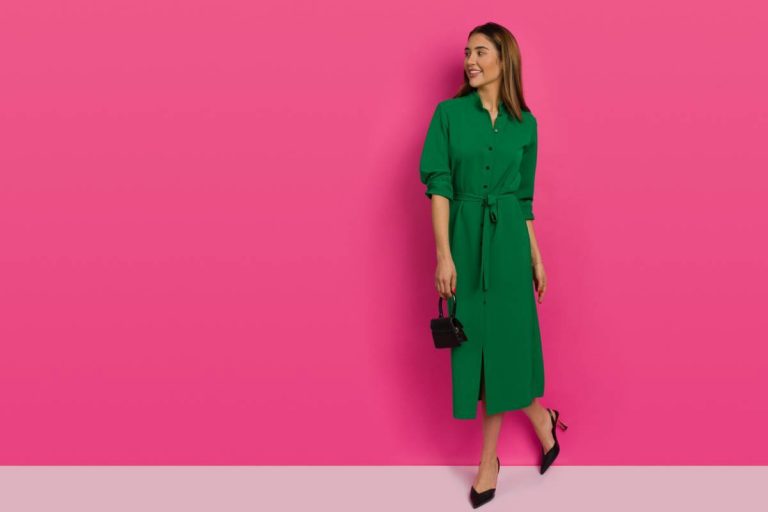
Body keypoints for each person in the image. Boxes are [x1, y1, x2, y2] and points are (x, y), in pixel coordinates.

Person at [419, 22, 569, 508]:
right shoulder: (448, 115)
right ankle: (543, 419)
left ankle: (489, 463)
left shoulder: (527, 124)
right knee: (478, 350)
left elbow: (523, 200)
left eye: (481, 52)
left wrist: (537, 257)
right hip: (465, 240)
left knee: (504, 349)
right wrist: (444, 254)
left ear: (504, 60)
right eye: (467, 52)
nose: (470, 60)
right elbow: (439, 185)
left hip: (508, 245)